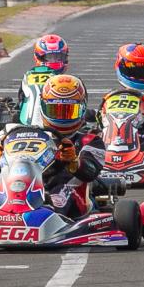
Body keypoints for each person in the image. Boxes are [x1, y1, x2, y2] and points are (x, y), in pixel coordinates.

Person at [30, 75, 103, 206]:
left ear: (82, 108)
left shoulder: (90, 140)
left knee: (59, 194)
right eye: (55, 110)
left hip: (74, 197)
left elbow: (91, 172)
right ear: (43, 106)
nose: (62, 117)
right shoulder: (34, 137)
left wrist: (74, 162)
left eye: (69, 111)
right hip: (31, 191)